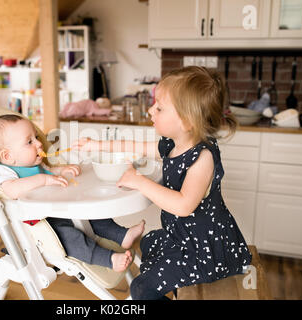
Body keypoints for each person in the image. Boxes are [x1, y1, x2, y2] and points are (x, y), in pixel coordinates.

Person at [72, 66, 252, 299]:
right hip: (182, 238)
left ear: (187, 121)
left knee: (140, 288)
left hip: (203, 251)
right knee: (147, 242)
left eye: (159, 107)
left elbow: (184, 205)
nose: (150, 110)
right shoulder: (173, 144)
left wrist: (139, 181)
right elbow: (136, 148)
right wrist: (95, 145)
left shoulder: (203, 157)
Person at [0, 114, 145, 272]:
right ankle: (109, 259)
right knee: (70, 238)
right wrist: (43, 180)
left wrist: (63, 170)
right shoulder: (6, 170)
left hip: (59, 211)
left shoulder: (35, 164)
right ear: (8, 156)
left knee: (91, 214)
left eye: (36, 137)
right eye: (29, 142)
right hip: (42, 225)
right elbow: (11, 189)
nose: (39, 143)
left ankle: (122, 235)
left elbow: (50, 172)